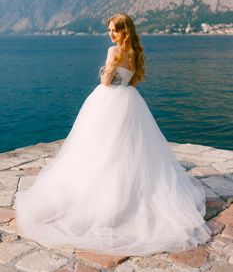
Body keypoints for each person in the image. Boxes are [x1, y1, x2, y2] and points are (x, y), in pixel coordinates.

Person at [15, 13, 211, 257]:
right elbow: (131, 79)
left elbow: (107, 81)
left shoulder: (113, 51)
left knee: (100, 148)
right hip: (129, 101)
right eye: (109, 31)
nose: (111, 35)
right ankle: (127, 194)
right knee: (127, 149)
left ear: (123, 31)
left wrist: (105, 71)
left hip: (108, 101)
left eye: (114, 31)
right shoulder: (135, 52)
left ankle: (105, 199)